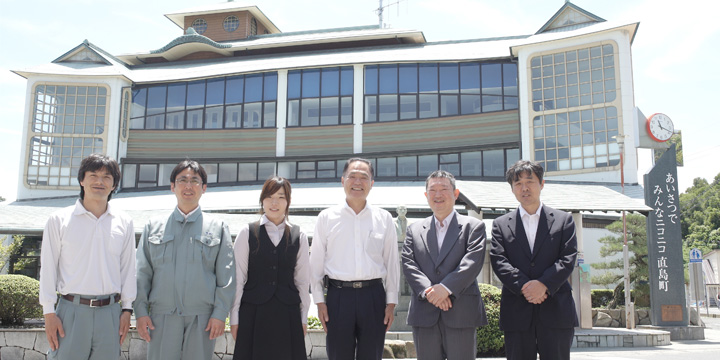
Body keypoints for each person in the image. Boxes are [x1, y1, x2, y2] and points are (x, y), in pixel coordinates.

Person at [134, 159, 235, 360]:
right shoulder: (153, 226)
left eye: (195, 181)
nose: (188, 186)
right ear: (172, 186)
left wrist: (219, 313)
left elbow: (227, 275)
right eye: (182, 180)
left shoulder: (218, 227)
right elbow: (141, 273)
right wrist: (140, 311)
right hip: (161, 318)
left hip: (202, 319)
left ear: (204, 188)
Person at [39, 154, 136, 360]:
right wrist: (48, 312)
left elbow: (128, 269)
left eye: (107, 177)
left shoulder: (124, 222)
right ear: (82, 180)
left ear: (114, 185)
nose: (99, 181)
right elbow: (47, 267)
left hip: (110, 314)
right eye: (93, 175)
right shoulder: (59, 220)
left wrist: (127, 309)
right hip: (70, 313)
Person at [309, 157, 400, 360]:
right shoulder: (326, 218)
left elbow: (392, 263)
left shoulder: (384, 218)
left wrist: (391, 303)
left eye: (364, 177)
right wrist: (319, 302)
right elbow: (314, 265)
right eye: (352, 176)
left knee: (372, 355)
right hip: (338, 298)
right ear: (342, 180)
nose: (357, 182)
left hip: (374, 297)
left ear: (372, 184)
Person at [489, 160, 578, 360]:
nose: (524, 188)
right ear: (512, 188)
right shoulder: (500, 225)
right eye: (518, 183)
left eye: (530, 181)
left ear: (542, 184)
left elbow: (568, 258)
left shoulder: (563, 220)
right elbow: (499, 260)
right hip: (517, 311)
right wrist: (525, 287)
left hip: (556, 309)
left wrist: (544, 285)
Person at [401, 170, 487, 360]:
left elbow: (472, 263)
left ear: (455, 194)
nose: (438, 194)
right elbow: (408, 264)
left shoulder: (473, 226)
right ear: (426, 196)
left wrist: (446, 288)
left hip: (461, 312)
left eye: (444, 189)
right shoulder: (414, 230)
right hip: (425, 313)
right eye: (432, 190)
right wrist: (430, 292)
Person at [230, 176, 310, 360]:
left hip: (287, 313)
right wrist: (234, 317)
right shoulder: (247, 233)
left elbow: (303, 281)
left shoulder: (300, 235)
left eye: (281, 197)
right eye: (269, 196)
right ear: (262, 200)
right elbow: (238, 279)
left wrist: (303, 317)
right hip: (253, 314)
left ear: (288, 201)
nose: (275, 202)